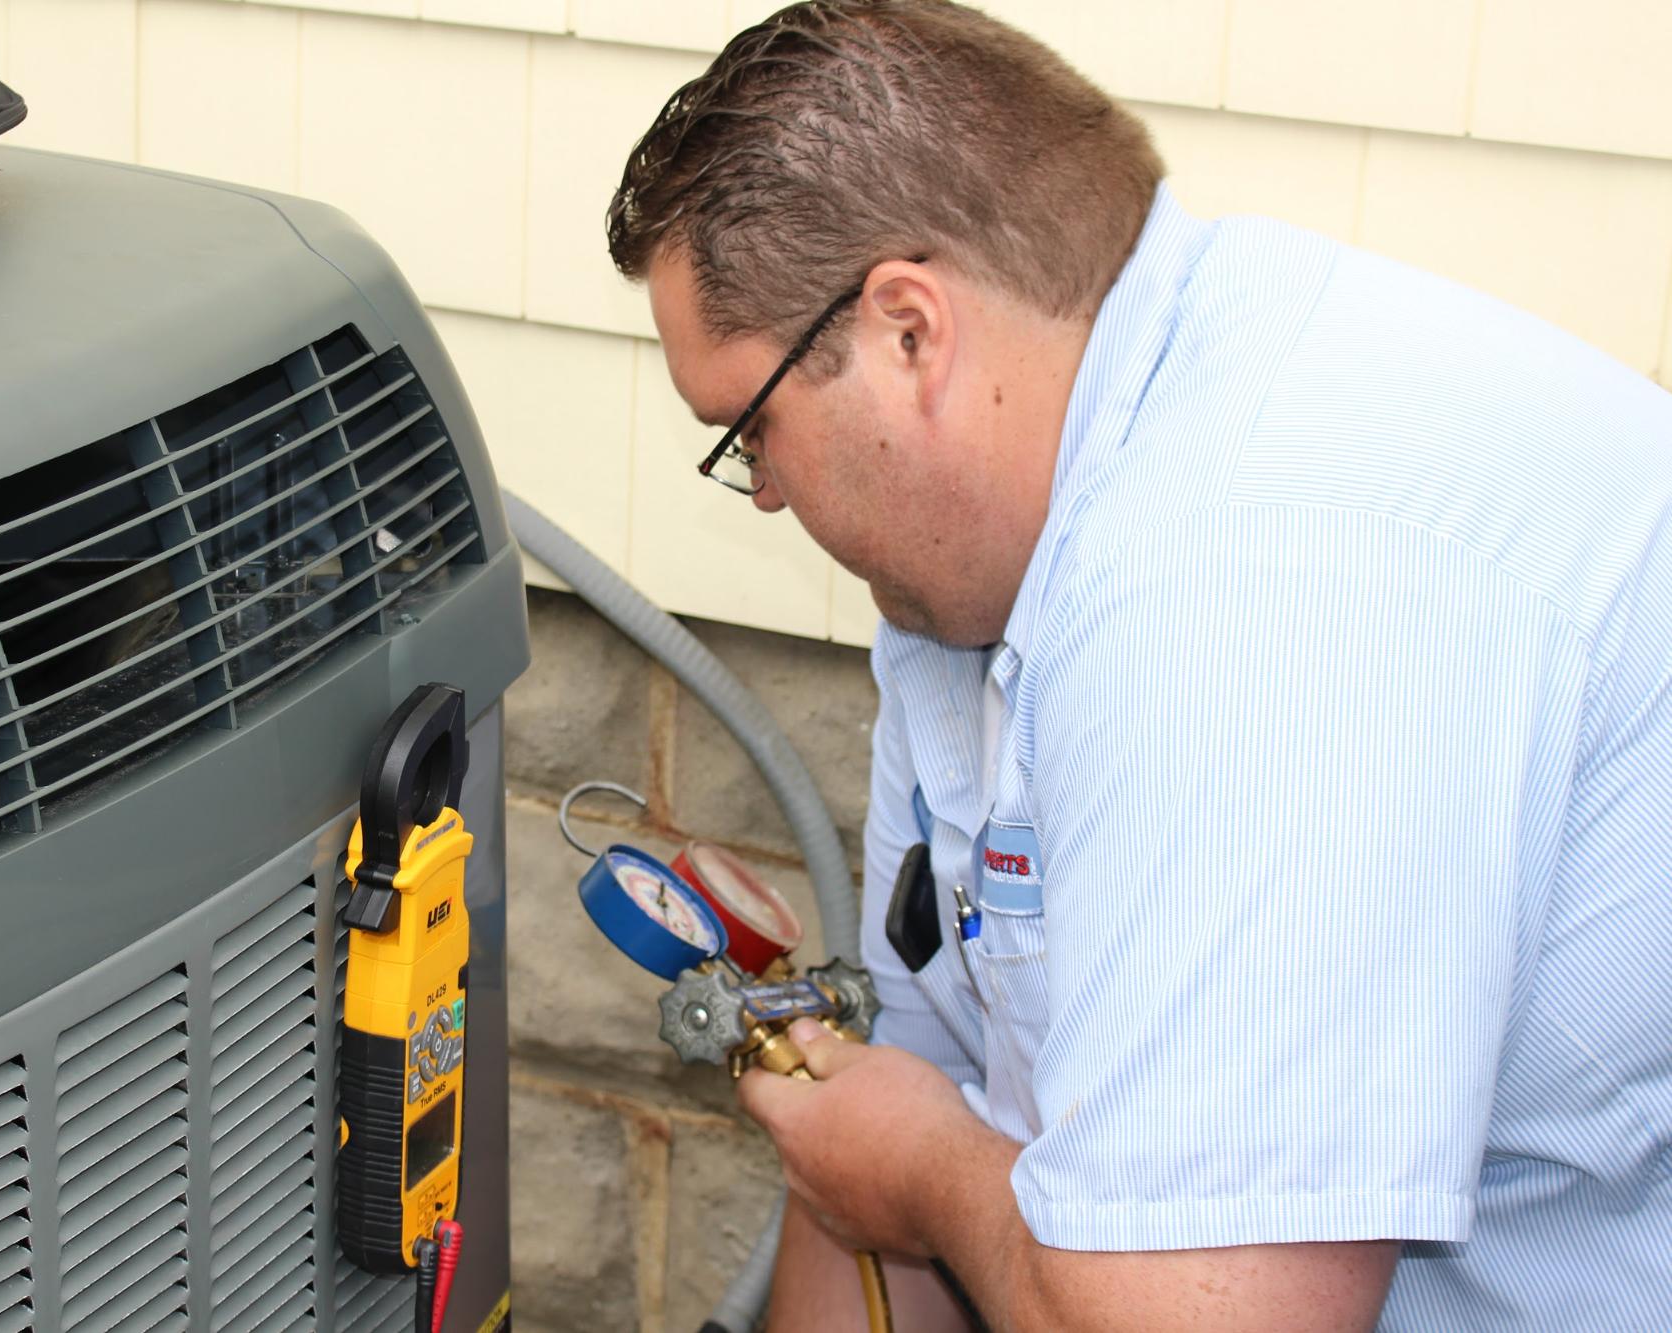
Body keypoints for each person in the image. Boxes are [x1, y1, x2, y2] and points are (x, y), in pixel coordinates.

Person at [605, 2, 1672, 1329]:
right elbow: (907, 1105)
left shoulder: (1255, 585)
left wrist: (930, 1173)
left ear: (909, 334)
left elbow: (1179, 1306)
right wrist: (900, 1157)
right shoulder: (978, 593)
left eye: (749, 432)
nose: (760, 495)